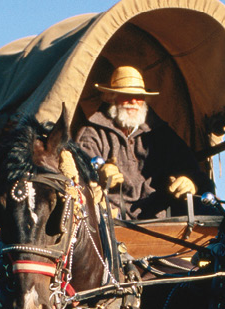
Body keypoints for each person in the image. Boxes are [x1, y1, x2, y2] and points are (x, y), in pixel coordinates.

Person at [75, 66, 214, 219]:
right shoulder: (92, 133)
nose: (133, 101)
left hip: (161, 218)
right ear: (110, 97)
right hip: (112, 219)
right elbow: (76, 177)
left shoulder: (161, 133)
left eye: (139, 96)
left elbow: (193, 171)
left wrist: (189, 182)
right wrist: (98, 176)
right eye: (126, 95)